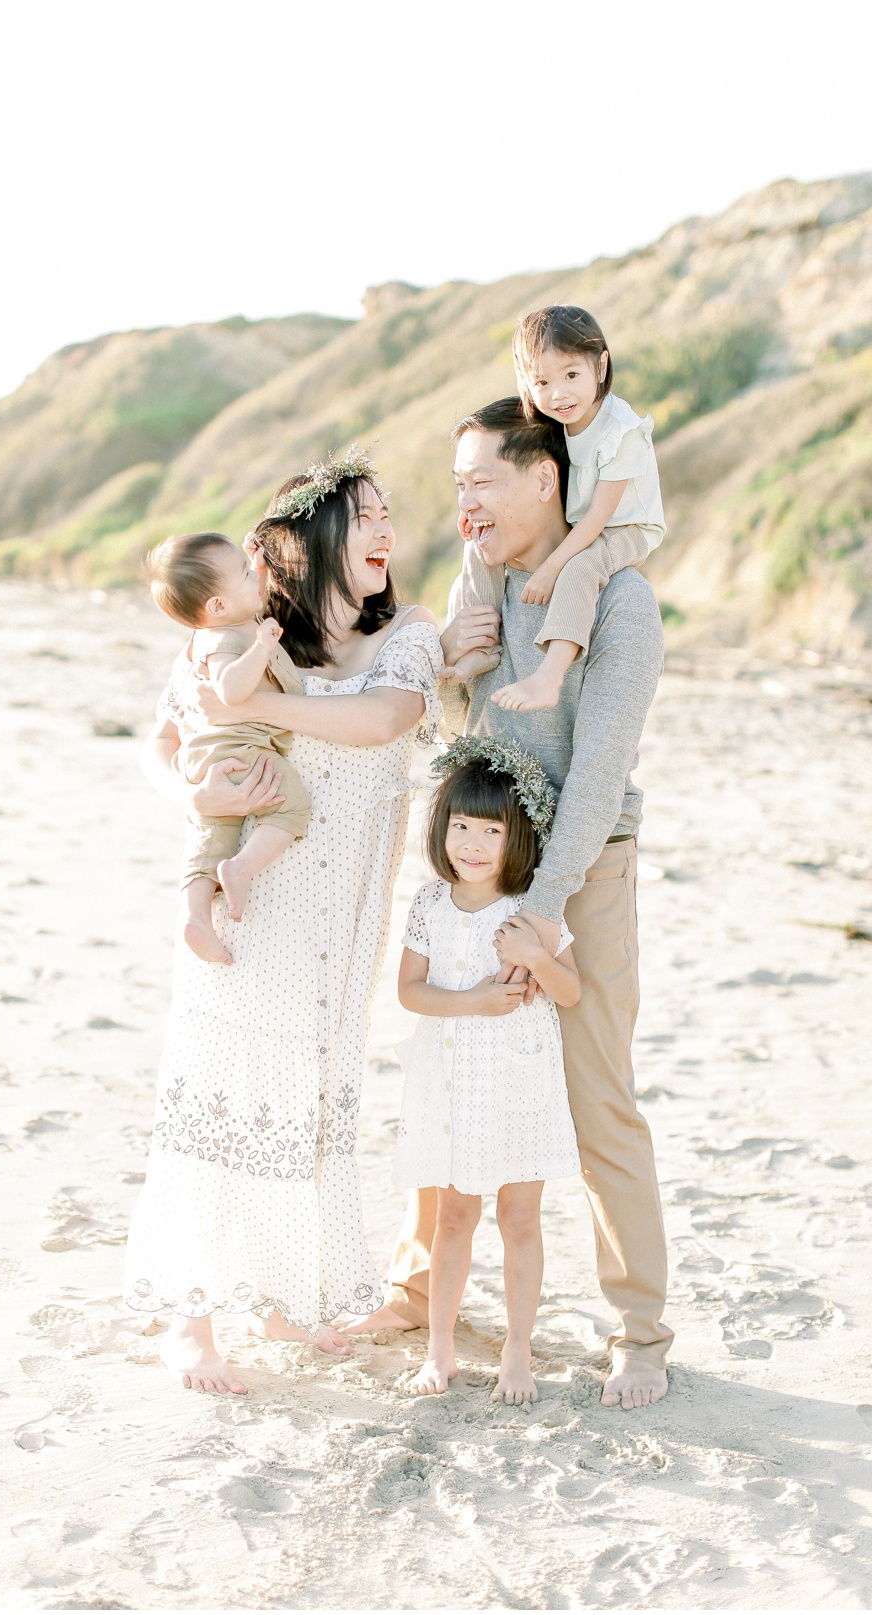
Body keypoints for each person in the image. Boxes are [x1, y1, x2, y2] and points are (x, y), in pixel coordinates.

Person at [348, 398, 672, 1411]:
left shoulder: (619, 599)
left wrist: (543, 913)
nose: (466, 504)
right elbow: (461, 743)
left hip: (583, 871)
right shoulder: (475, 583)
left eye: (482, 480)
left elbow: (599, 770)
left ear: (546, 478)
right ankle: (416, 1286)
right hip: (472, 875)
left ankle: (640, 1328)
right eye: (455, 487)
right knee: (448, 1071)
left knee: (597, 1095)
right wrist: (461, 668)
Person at [123, 446, 443, 1394]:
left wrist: (255, 708)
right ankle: (190, 1320)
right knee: (221, 1093)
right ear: (309, 540)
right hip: (250, 903)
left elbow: (386, 722)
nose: (388, 528)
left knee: (303, 1102)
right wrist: (190, 787)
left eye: (391, 513)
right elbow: (164, 741)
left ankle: (269, 1293)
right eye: (368, 513)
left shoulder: (406, 637)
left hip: (339, 924)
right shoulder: (247, 639)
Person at [394, 742, 581, 1405]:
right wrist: (472, 1000)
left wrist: (536, 952)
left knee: (520, 1219)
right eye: (462, 826)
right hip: (450, 1078)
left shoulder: (530, 907)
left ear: (516, 836)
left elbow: (570, 991)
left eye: (492, 830)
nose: (473, 843)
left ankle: (518, 1351)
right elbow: (410, 991)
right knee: (452, 1217)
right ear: (442, 827)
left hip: (518, 1079)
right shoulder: (430, 903)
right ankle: (439, 1348)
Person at [443, 306, 665, 712]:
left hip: (626, 527)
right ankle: (480, 647)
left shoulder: (621, 430)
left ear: (601, 366)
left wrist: (551, 568)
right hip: (587, 522)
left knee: (580, 569)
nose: (559, 394)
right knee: (478, 543)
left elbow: (599, 519)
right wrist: (475, 509)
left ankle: (550, 674)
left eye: (571, 375)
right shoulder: (562, 420)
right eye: (542, 381)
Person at [143, 531, 312, 964]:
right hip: (238, 751)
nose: (255, 577)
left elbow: (246, 593)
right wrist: (262, 646)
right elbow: (231, 689)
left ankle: (195, 917)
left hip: (207, 759)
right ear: (217, 606)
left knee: (211, 836)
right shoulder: (225, 640)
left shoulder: (223, 623)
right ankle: (241, 869)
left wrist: (256, 562)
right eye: (243, 573)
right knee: (292, 806)